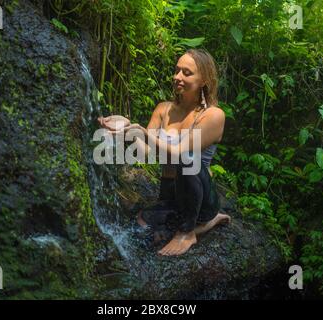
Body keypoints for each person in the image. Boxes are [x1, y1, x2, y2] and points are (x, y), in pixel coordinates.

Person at [98, 49, 231, 256]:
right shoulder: (163, 109)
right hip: (170, 193)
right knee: (143, 227)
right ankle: (210, 222)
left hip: (198, 198)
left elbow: (180, 152)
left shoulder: (214, 115)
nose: (177, 77)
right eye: (177, 70)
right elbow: (147, 153)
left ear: (204, 80)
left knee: (186, 157)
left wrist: (142, 131)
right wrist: (127, 130)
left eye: (186, 73)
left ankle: (190, 231)